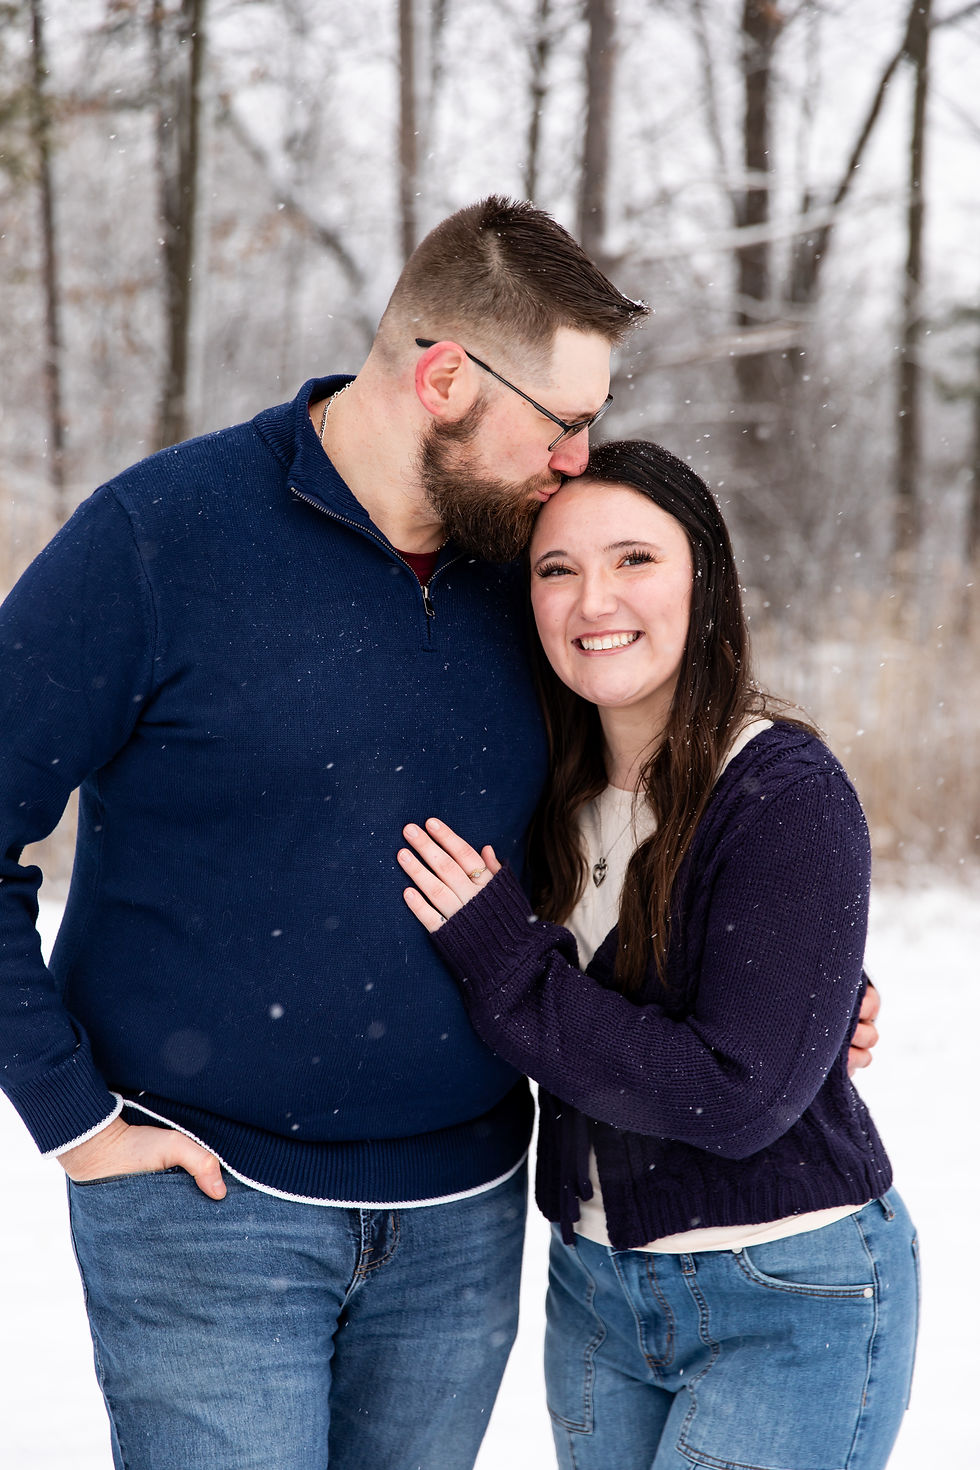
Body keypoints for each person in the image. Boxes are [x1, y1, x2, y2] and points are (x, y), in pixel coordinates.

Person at [0, 197, 646, 1470]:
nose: (579, 458)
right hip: (203, 1211)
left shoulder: (530, 573)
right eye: (564, 421)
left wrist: (777, 971)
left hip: (462, 1221)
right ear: (445, 375)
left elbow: (630, 816)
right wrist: (69, 1114)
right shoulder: (158, 539)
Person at [399, 439, 916, 1470]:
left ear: (703, 580)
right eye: (557, 569)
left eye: (634, 559)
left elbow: (733, 1096)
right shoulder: (548, 792)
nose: (595, 600)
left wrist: (508, 965)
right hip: (593, 1290)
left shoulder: (781, 792)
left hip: (785, 1288)